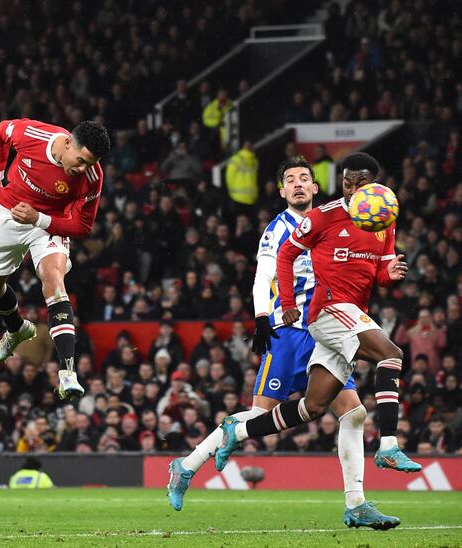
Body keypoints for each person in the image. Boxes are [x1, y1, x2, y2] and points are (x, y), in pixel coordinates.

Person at [167, 158, 397, 528]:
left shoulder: (330, 217)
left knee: (353, 412)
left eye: (305, 178)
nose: (299, 184)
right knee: (260, 417)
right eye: (290, 180)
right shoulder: (278, 229)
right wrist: (261, 317)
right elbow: (263, 276)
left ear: (317, 187)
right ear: (282, 191)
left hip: (327, 326)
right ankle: (186, 466)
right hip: (289, 331)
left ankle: (356, 504)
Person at [217, 153, 422, 518]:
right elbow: (285, 255)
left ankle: (239, 433)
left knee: (314, 406)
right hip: (327, 309)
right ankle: (389, 444)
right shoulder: (325, 216)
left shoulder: (383, 216)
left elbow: (379, 272)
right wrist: (284, 303)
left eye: (360, 182)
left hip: (353, 311)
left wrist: (390, 272)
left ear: (373, 185)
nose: (352, 189)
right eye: (346, 182)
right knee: (392, 355)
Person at [0, 118, 111, 400]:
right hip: (12, 211)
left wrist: (41, 219)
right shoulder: (33, 135)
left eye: (91, 163)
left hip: (50, 224)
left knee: (54, 282)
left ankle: (67, 372)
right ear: (68, 143)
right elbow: (1, 131)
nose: (84, 169)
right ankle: (17, 328)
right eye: (82, 160)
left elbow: (83, 226)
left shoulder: (92, 176)